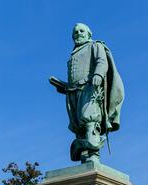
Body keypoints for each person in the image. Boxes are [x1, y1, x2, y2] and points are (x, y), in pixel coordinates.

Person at [50, 23, 124, 162]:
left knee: (89, 118)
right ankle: (84, 152)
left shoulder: (95, 45)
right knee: (78, 124)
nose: (78, 33)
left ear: (89, 34)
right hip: (73, 92)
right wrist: (64, 87)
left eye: (81, 31)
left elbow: (102, 61)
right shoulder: (73, 54)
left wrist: (98, 75)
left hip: (90, 87)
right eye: (75, 32)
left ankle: (93, 154)